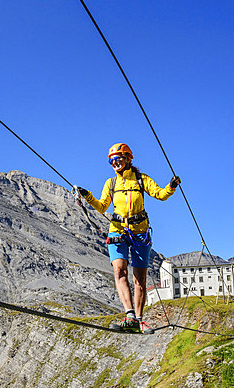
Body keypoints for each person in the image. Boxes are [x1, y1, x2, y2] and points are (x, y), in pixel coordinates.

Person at [75, 143, 180, 334]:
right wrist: (87, 196)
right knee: (119, 271)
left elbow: (160, 195)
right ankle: (129, 315)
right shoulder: (111, 183)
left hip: (140, 231)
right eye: (111, 160)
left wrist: (171, 186)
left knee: (139, 279)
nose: (114, 162)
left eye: (118, 158)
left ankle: (139, 320)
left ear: (128, 158)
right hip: (117, 230)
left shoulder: (141, 179)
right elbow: (102, 206)